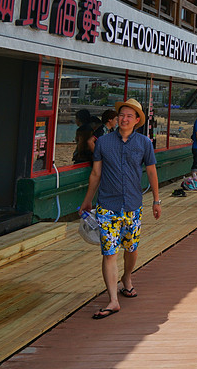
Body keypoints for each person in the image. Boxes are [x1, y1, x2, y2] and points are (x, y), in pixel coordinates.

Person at [79, 98, 161, 319]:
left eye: (129, 116)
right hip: (107, 206)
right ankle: (113, 300)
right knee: (109, 253)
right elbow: (96, 174)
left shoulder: (144, 143)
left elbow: (152, 172)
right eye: (121, 115)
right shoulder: (104, 143)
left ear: (136, 121)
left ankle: (127, 278)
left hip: (133, 206)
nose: (124, 119)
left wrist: (156, 200)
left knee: (131, 249)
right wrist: (88, 200)